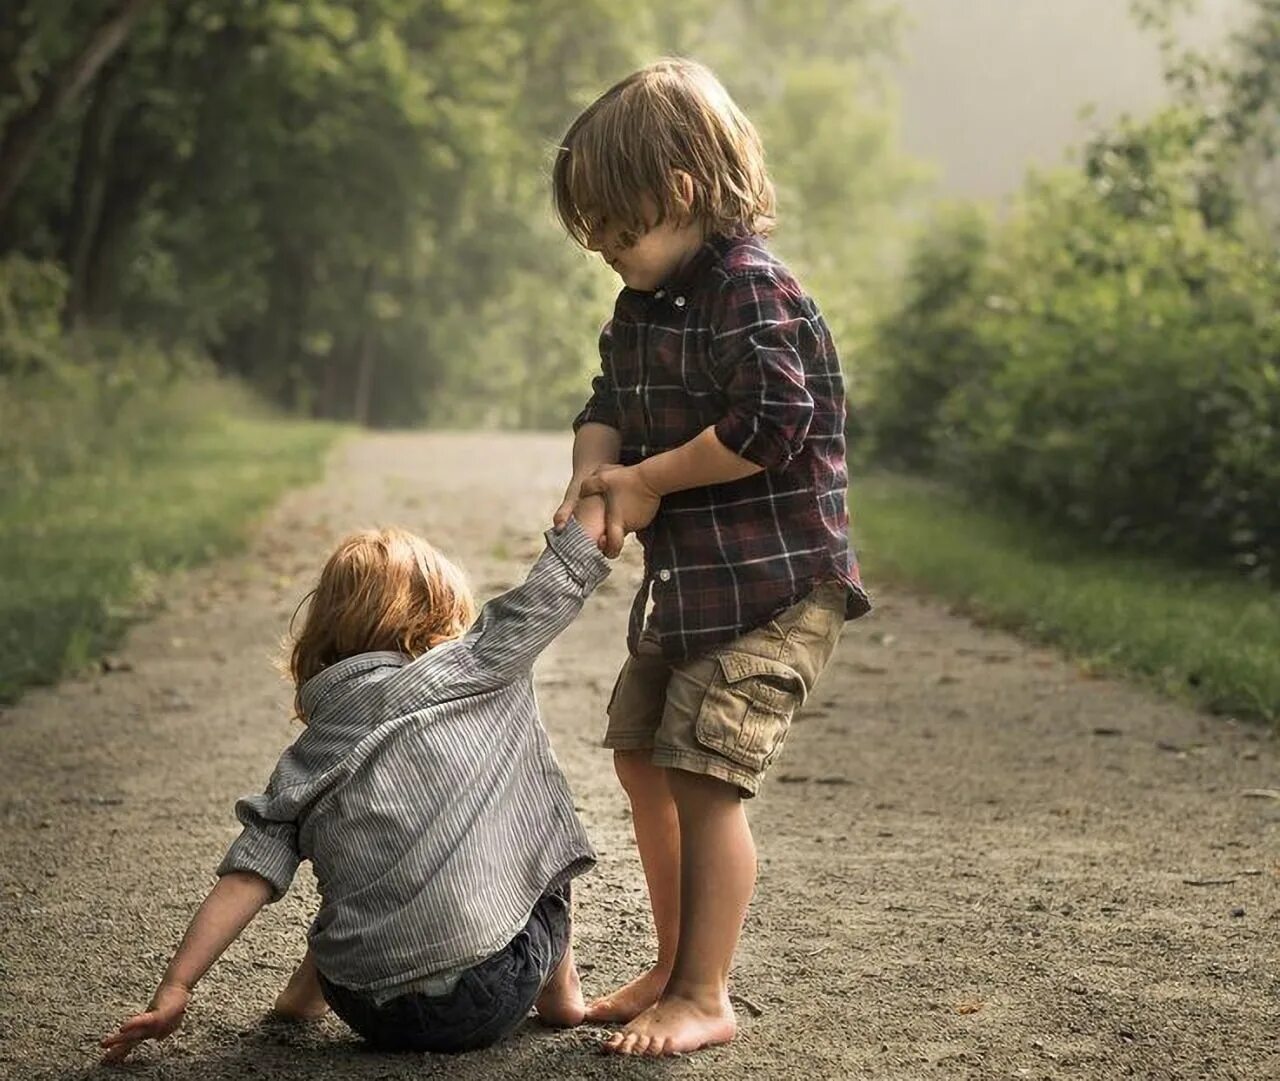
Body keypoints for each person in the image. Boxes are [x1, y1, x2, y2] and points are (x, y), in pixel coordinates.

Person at [550, 57, 871, 1057]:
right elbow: (605, 401)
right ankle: (672, 958)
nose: (607, 253)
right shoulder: (641, 306)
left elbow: (775, 420)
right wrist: (593, 476)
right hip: (693, 589)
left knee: (701, 771)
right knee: (641, 752)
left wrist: (649, 484)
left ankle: (704, 991)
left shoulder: (752, 292)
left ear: (679, 194)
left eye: (615, 229)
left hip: (774, 588)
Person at [101, 505, 611, 1063]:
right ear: (437, 617)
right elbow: (542, 599)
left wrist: (177, 986)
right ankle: (562, 996)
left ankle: (305, 994)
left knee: (369, 857)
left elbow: (247, 875)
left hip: (363, 1003)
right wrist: (588, 521)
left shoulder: (310, 751)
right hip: (482, 994)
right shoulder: (467, 670)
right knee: (537, 825)